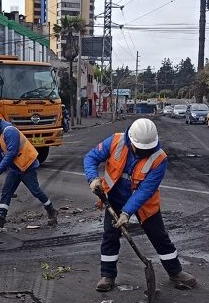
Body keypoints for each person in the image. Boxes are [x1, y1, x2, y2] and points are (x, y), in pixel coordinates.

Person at [84, 118, 197, 292]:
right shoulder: (116, 141)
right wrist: (92, 179)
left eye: (148, 149)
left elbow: (145, 190)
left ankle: (175, 272)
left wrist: (127, 212)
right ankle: (107, 276)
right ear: (132, 140)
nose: (145, 152)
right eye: (141, 149)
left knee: (159, 236)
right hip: (114, 198)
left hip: (144, 203)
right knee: (110, 235)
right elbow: (91, 157)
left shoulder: (159, 158)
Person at [0, 113, 57, 230]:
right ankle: (1, 218)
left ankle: (51, 210)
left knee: (35, 191)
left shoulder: (10, 131)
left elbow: (11, 153)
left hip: (27, 165)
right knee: (6, 191)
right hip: (15, 168)